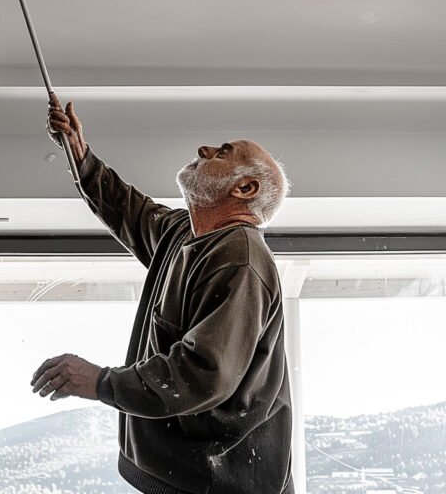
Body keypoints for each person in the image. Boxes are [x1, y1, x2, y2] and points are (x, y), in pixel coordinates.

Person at [31, 93, 294, 494]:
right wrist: (79, 154)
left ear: (245, 187)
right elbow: (127, 209)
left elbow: (203, 373)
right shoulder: (186, 235)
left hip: (218, 486)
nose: (204, 150)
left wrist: (100, 382)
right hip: (185, 478)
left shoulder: (240, 257)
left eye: (224, 151)